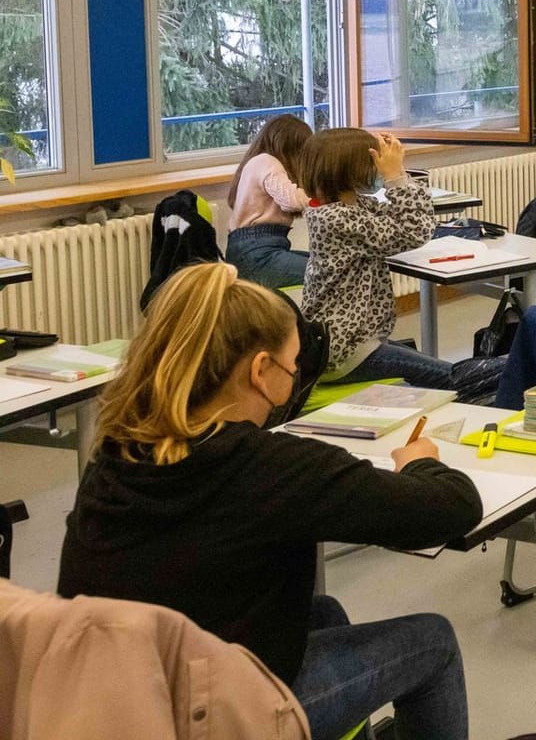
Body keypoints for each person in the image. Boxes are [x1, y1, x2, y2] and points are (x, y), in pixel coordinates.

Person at [58, 264, 481, 740]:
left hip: (107, 702)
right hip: (205, 719)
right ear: (260, 371)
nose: (295, 379)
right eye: (292, 365)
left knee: (323, 614)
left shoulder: (118, 448)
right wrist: (420, 462)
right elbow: (452, 507)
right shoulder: (269, 467)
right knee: (432, 642)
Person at [302, 127, 449, 387]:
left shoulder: (353, 205)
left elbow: (415, 220)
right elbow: (415, 232)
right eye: (373, 162)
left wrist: (399, 175)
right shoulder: (337, 218)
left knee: (441, 371)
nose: (377, 168)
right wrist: (395, 175)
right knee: (455, 376)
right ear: (352, 170)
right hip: (344, 350)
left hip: (356, 340)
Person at [224, 115, 315, 291]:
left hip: (256, 250)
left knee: (327, 263)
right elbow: (291, 200)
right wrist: (323, 201)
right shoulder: (266, 161)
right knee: (330, 270)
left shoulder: (257, 162)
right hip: (255, 255)